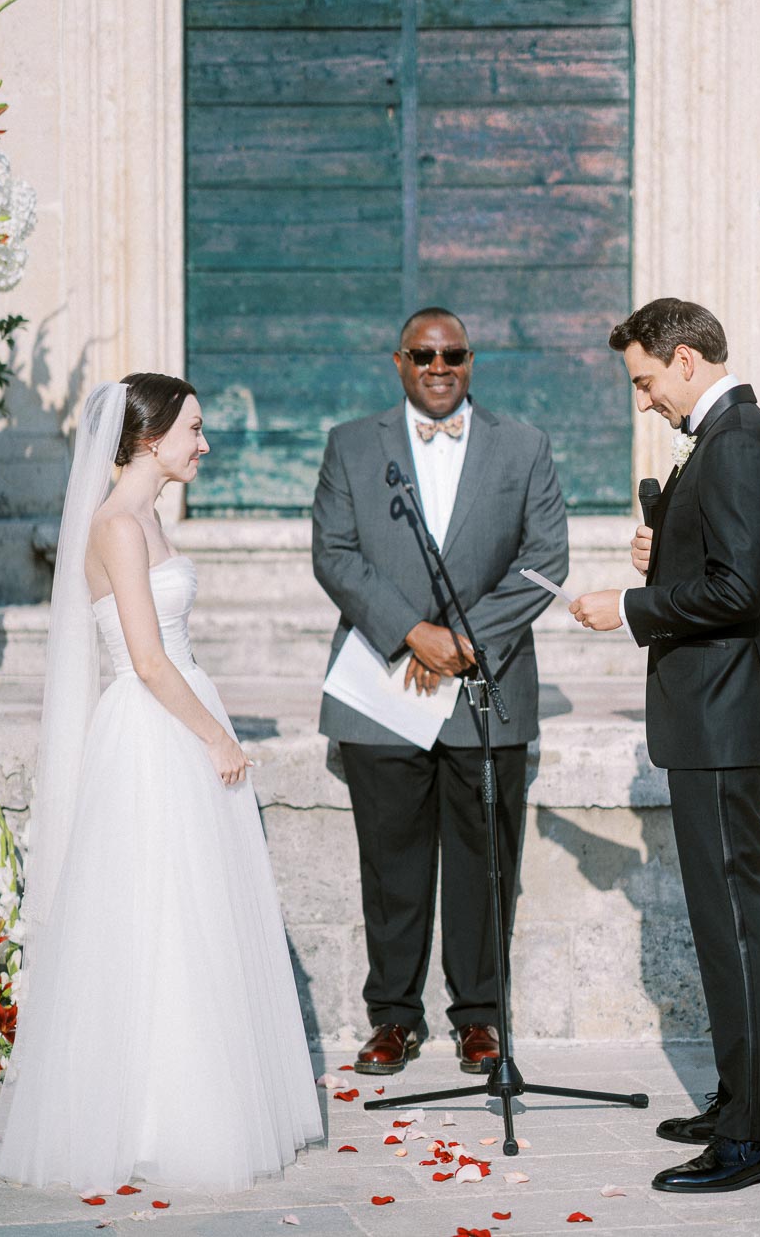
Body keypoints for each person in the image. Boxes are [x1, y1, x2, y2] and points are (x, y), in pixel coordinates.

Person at [0, 375, 322, 1194]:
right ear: (149, 437)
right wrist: (215, 737)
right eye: (194, 430)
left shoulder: (145, 518)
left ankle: (188, 1097)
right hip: (153, 726)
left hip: (179, 712)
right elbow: (143, 658)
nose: (204, 444)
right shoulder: (116, 525)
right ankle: (150, 1117)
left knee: (195, 910)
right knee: (157, 909)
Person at [569, 298, 760, 1194]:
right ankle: (742, 1101)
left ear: (689, 359)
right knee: (722, 924)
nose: (644, 400)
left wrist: (628, 607)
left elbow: (739, 590)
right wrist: (661, 560)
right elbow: (719, 569)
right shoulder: (729, 437)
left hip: (721, 718)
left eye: (646, 380)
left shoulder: (737, 443)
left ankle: (753, 1139)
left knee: (736, 927)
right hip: (713, 715)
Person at [312, 307, 568, 1075]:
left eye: (453, 353)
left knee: (485, 860)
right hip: (383, 686)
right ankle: (393, 1017)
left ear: (471, 360)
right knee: (391, 865)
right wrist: (409, 632)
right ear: (398, 361)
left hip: (485, 686)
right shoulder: (351, 445)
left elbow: (545, 560)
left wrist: (463, 639)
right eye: (423, 354)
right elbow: (334, 553)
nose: (438, 365)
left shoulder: (523, 446)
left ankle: (480, 1018)